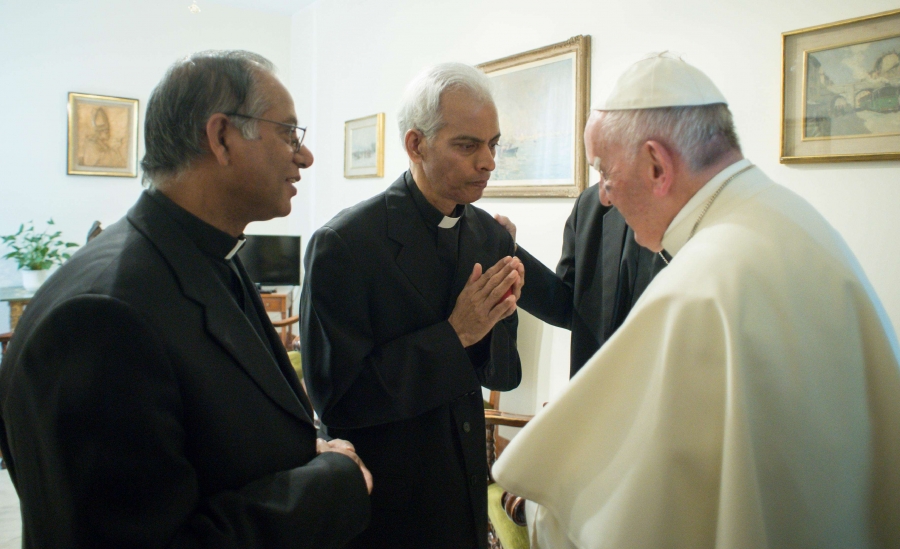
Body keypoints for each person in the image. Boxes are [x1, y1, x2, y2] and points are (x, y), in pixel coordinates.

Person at [493, 52, 900, 548]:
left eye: (604, 170)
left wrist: (540, 502)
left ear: (657, 165)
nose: (604, 195)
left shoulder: (706, 282)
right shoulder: (788, 219)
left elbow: (645, 517)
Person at [0, 50, 372, 548]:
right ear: (221, 137)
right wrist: (331, 482)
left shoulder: (209, 253)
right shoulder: (102, 317)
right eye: (288, 133)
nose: (304, 156)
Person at [300, 62, 523, 549]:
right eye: (468, 145)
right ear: (416, 144)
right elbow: (337, 399)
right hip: (388, 501)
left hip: (465, 490)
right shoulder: (345, 244)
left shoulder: (489, 235)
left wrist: (501, 316)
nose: (488, 162)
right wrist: (456, 335)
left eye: (493, 144)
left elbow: (503, 378)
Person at [495, 184, 666, 377]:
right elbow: (568, 306)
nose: (603, 192)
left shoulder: (684, 204)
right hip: (600, 382)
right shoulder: (590, 204)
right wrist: (512, 254)